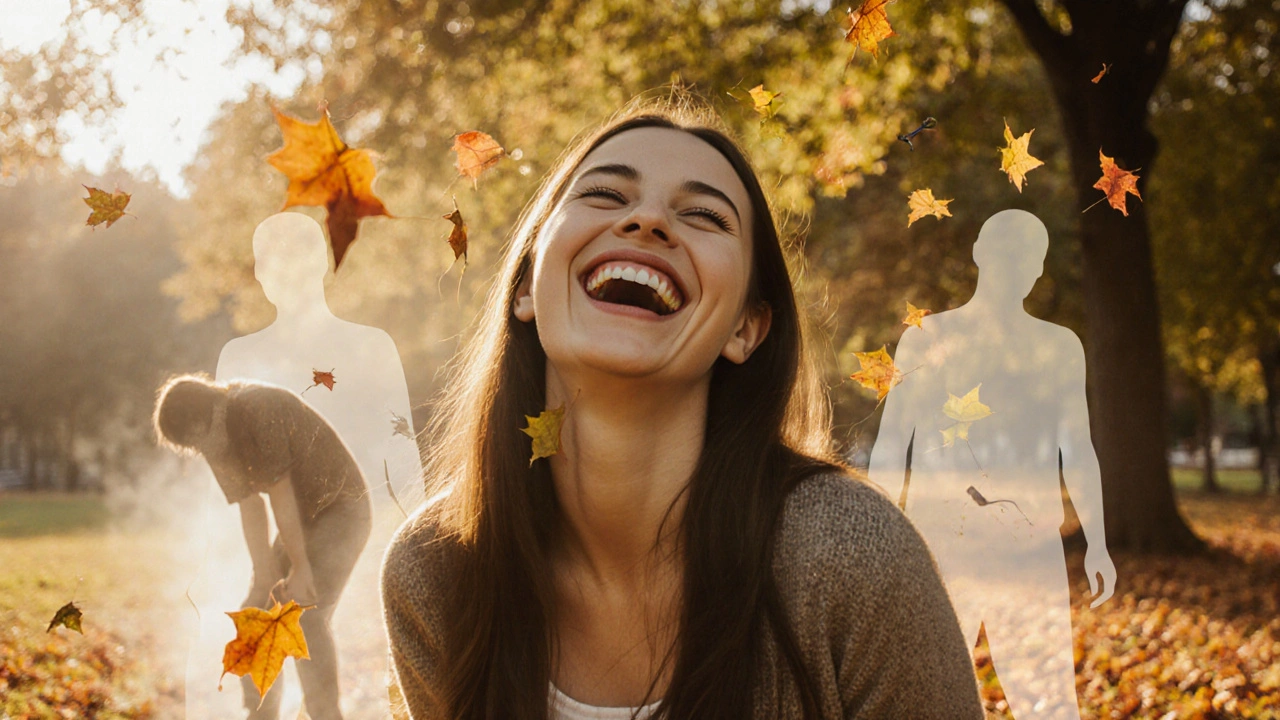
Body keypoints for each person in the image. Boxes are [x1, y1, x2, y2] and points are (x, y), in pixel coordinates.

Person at [380, 97, 984, 719]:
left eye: (703, 215)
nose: (647, 220)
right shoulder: (434, 570)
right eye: (606, 196)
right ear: (530, 283)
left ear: (746, 328)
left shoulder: (852, 554)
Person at [866, 210, 1117, 720]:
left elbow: (1079, 449)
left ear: (1038, 268)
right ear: (980, 252)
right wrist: (878, 544)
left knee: (1046, 703)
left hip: (1029, 551)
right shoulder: (925, 340)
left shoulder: (1060, 347)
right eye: (1008, 251)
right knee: (923, 698)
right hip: (939, 549)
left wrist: (1098, 542)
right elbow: (890, 449)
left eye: (1027, 256)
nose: (1016, 265)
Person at [153, 374, 372, 720]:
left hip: (341, 510)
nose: (202, 451)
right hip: (302, 521)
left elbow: (281, 492)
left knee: (304, 617)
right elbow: (250, 505)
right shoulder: (214, 438)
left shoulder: (258, 407)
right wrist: (263, 574)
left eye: (198, 440)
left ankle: (325, 714)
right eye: (194, 447)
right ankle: (261, 715)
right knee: (256, 612)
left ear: (207, 414)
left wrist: (299, 568)